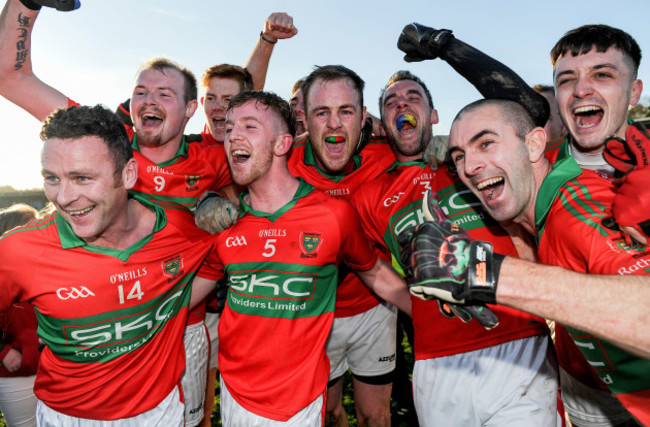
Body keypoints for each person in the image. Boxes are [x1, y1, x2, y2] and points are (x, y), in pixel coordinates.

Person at [409, 97, 650, 425]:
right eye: (460, 156)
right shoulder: (541, 208)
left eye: (487, 143)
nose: (469, 166)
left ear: (536, 144)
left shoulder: (574, 211)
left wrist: (485, 273)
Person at [351, 65, 560, 426]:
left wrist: (448, 51)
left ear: (433, 115)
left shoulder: (477, 163)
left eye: (413, 97)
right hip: (436, 359)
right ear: (383, 125)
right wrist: (415, 304)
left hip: (517, 343)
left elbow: (531, 110)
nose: (402, 105)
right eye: (391, 103)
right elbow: (367, 263)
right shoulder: (370, 195)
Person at [188, 90, 412, 425]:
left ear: (282, 144)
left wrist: (437, 316)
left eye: (249, 126)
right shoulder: (226, 224)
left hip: (300, 403)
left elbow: (377, 274)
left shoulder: (333, 216)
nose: (233, 135)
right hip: (235, 394)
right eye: (231, 128)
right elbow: (185, 296)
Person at [0, 104, 221, 425]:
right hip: (68, 416)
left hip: (158, 413)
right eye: (51, 178)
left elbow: (217, 255)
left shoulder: (176, 229)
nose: (63, 197)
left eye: (82, 178)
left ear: (128, 174)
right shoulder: (20, 249)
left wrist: (170, 304)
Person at [286, 65, 398, 426]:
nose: (334, 124)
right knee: (330, 413)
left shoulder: (388, 154)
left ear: (364, 117)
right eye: (323, 112)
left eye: (345, 111)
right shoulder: (281, 162)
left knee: (374, 416)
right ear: (305, 117)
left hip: (375, 309)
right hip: (317, 314)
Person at [0, 203, 40, 427]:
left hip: (57, 370)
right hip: (17, 374)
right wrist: (3, 351)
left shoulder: (49, 268)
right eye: (30, 229)